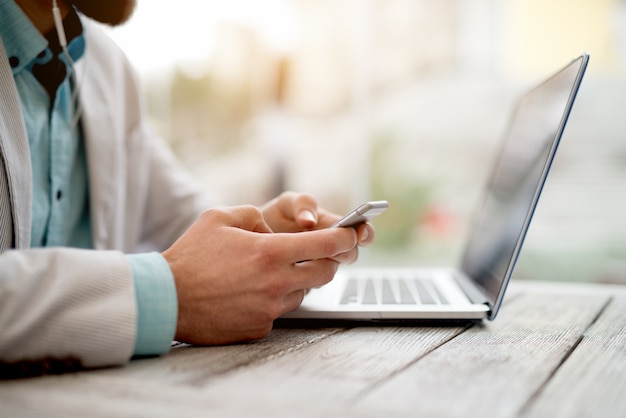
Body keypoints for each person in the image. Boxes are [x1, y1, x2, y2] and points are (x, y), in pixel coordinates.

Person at [0, 0, 375, 376]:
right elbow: (181, 275)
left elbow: (181, 217)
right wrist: (169, 294)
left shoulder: (107, 68)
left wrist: (262, 238)